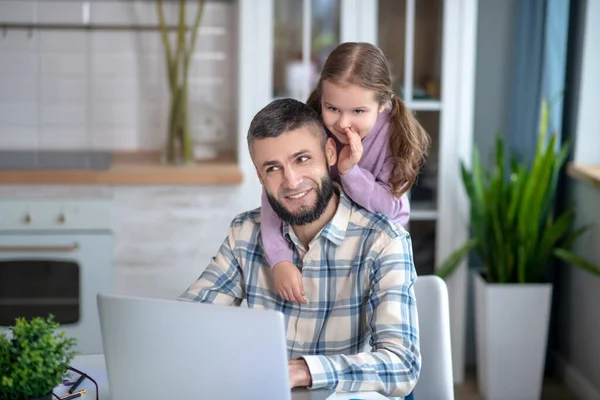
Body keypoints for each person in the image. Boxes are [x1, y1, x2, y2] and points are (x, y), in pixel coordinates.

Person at [180, 98, 420, 398]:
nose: (291, 181)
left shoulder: (385, 242)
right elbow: (187, 321)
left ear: (330, 153)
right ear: (260, 176)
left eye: (302, 159)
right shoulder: (245, 233)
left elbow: (402, 365)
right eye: (273, 168)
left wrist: (305, 370)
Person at [261, 42, 430, 304]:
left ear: (383, 104)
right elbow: (277, 189)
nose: (342, 123)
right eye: (333, 108)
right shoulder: (311, 124)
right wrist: (280, 259)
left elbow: (393, 210)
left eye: (358, 111)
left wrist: (349, 171)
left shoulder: (398, 137)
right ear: (322, 96)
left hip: (372, 251)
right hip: (318, 244)